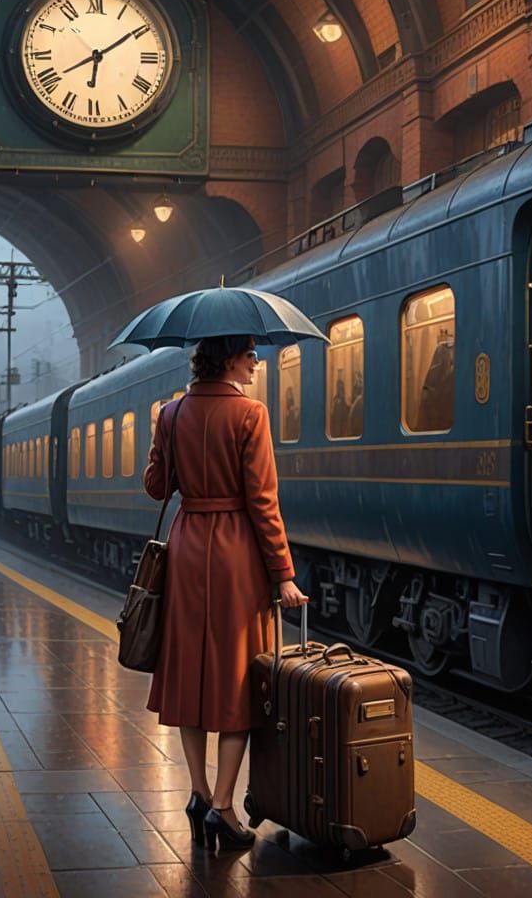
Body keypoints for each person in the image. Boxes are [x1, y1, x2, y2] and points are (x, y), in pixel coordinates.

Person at [144, 335, 308, 853]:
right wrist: (283, 573)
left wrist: (163, 447)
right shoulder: (250, 414)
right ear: (230, 359)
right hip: (237, 554)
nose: (256, 363)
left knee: (189, 676)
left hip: (187, 547)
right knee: (239, 679)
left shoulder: (171, 414)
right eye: (250, 354)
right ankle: (223, 805)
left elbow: (156, 486)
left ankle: (196, 794)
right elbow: (263, 501)